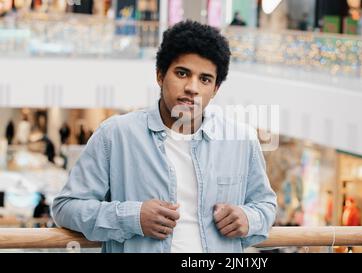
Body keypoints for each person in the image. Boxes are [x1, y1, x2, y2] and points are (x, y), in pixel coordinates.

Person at [52, 20, 277, 253]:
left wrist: (249, 218)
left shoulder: (241, 140)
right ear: (160, 75)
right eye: (182, 73)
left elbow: (266, 205)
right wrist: (132, 217)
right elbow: (66, 208)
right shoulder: (115, 135)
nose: (192, 87)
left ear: (215, 89)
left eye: (205, 79)